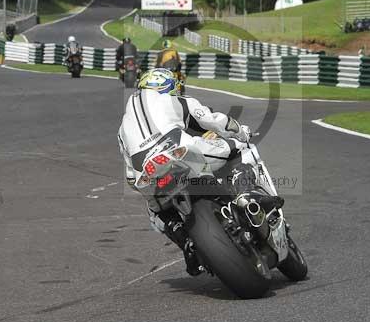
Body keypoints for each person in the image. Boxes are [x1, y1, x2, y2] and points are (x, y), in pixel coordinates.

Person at [117, 67, 281, 275]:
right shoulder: (176, 100)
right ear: (168, 86)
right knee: (240, 149)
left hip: (145, 170)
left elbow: (128, 167)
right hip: (179, 149)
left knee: (156, 212)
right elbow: (215, 121)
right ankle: (245, 195)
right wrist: (241, 131)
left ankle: (186, 242)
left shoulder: (123, 126)